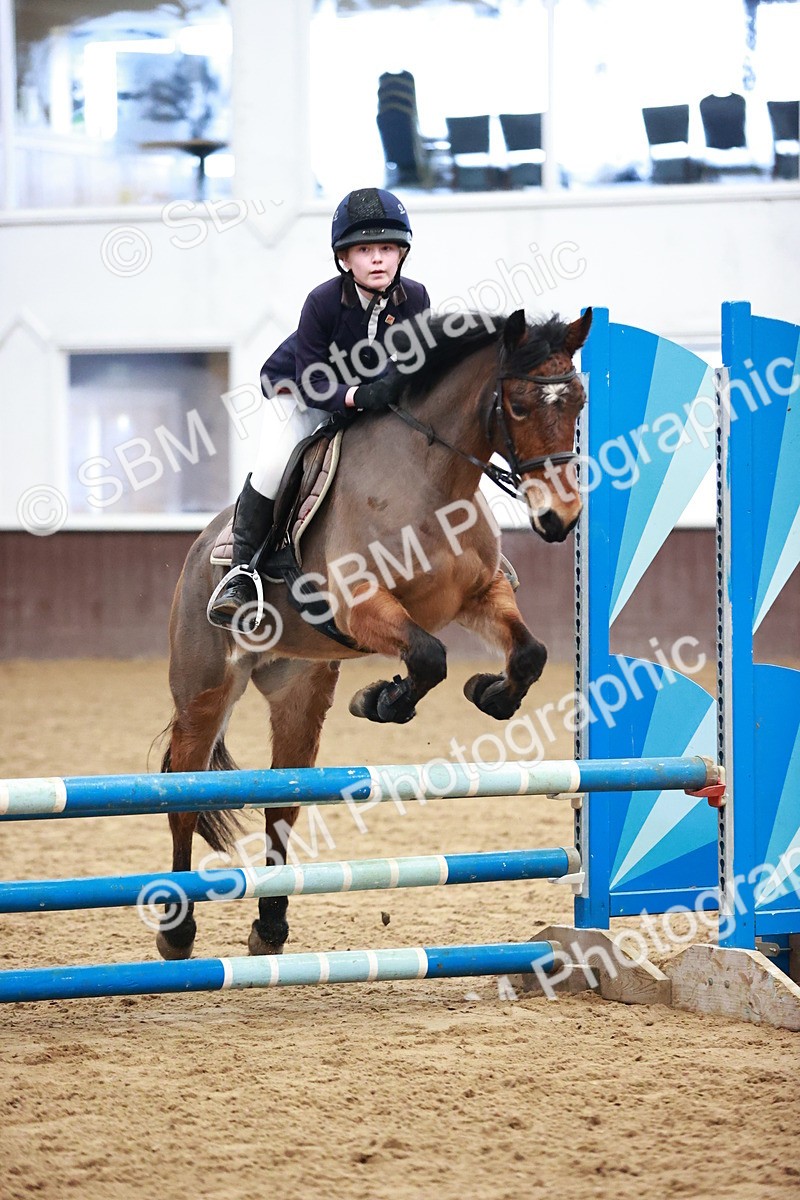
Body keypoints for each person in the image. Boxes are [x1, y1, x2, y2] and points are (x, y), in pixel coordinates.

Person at [208, 187, 431, 629]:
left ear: (401, 253)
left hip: (368, 402)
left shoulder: (416, 298)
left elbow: (419, 365)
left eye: (387, 248)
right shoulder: (323, 301)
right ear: (344, 259)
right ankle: (242, 572)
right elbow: (312, 379)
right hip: (297, 392)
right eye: (365, 250)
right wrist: (355, 396)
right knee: (274, 465)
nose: (378, 259)